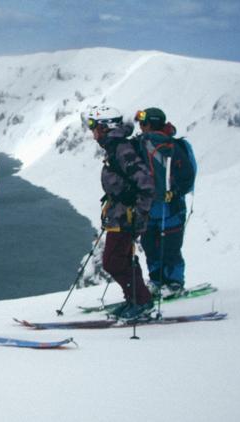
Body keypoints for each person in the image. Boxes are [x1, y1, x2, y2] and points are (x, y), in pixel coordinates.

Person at [84, 105, 155, 320]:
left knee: (113, 261)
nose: (92, 132)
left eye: (94, 126)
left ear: (106, 127)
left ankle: (141, 302)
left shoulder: (122, 149)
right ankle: (135, 300)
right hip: (121, 213)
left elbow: (146, 184)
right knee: (121, 259)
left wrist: (138, 213)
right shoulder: (115, 147)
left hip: (127, 216)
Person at [133, 107, 195, 296]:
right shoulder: (175, 146)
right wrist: (176, 193)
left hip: (157, 207)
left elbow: (186, 176)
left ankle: (171, 282)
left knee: (163, 247)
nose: (141, 127)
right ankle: (164, 282)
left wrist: (173, 192)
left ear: (150, 123)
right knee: (159, 245)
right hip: (169, 208)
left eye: (143, 123)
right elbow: (188, 177)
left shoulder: (144, 146)